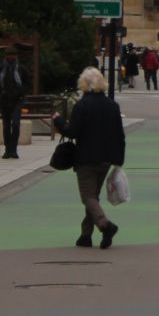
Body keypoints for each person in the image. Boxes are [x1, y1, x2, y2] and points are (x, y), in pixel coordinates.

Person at [52, 66, 125, 248]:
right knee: (93, 196)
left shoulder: (82, 105)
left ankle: (105, 225)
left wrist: (58, 120)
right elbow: (119, 134)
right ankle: (85, 235)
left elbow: (72, 131)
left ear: (84, 84)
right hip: (106, 158)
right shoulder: (112, 105)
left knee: (88, 197)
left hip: (86, 157)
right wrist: (118, 159)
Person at [0, 48, 28, 159]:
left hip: (17, 100)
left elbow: (27, 83)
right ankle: (7, 150)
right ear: (5, 56)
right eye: (8, 55)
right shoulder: (0, 70)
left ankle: (14, 149)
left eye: (13, 55)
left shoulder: (21, 69)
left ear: (16, 56)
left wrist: (22, 94)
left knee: (16, 124)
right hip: (4, 100)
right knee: (6, 125)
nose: (10, 57)